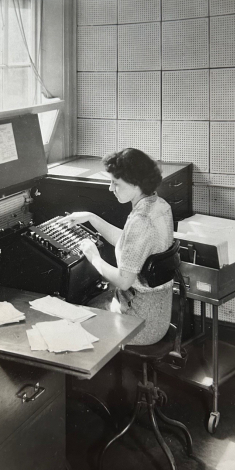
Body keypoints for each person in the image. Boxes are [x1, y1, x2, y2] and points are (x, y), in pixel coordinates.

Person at [58, 148, 174, 346]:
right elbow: (132, 243)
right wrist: (91, 217)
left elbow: (123, 281)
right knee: (90, 301)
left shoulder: (141, 220)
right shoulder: (158, 205)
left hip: (139, 322)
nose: (111, 188)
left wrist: (94, 257)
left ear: (136, 184)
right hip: (158, 313)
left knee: (70, 316)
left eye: (116, 183)